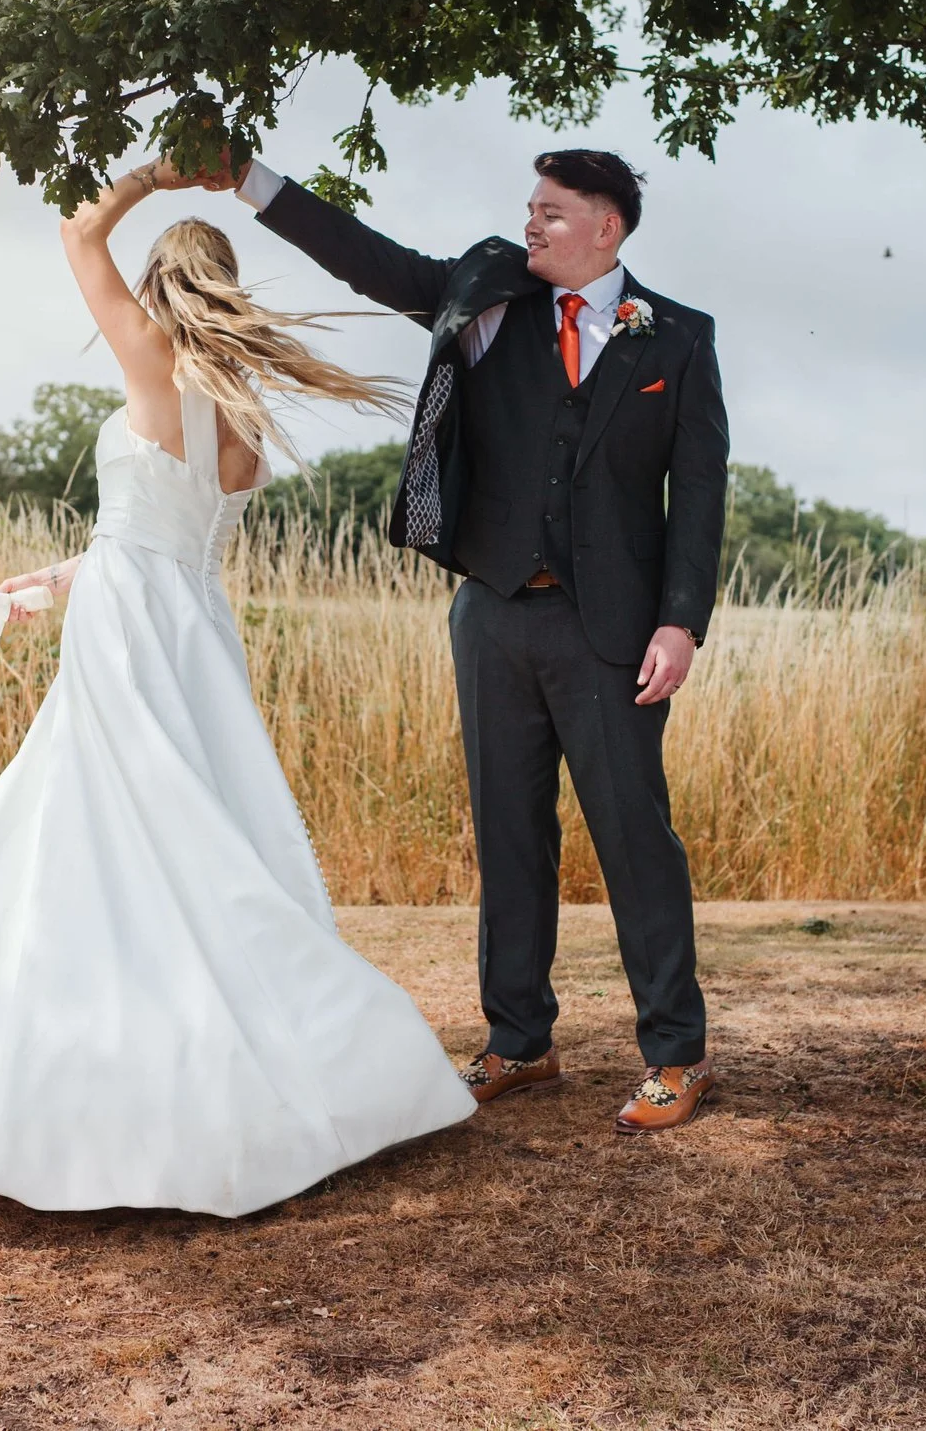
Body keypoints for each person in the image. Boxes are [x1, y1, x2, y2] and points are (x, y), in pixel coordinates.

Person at [0, 159, 476, 1217]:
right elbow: (162, 538)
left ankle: (44, 1048)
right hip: (187, 623)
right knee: (182, 827)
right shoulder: (245, 422)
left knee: (94, 817)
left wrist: (160, 172)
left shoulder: (152, 367)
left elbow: (75, 234)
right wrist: (55, 574)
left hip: (134, 627)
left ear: (159, 289)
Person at [171, 148, 732, 1134]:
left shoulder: (678, 338)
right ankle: (519, 1042)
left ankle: (675, 1054)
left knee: (634, 837)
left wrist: (680, 620)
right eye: (529, 207)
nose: (531, 224)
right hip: (493, 611)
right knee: (508, 832)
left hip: (611, 631)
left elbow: (699, 493)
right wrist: (250, 181)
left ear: (606, 227)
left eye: (551, 212)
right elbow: (369, 259)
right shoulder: (484, 292)